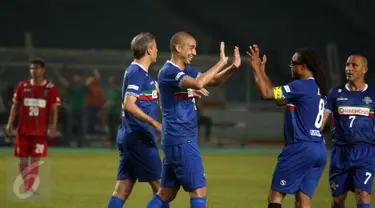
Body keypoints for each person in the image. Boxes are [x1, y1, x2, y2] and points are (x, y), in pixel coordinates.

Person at [146, 31, 241, 208]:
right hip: (182, 139)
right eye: (192, 48)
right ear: (178, 48)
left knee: (167, 193)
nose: (194, 53)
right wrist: (220, 62)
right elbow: (199, 84)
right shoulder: (168, 71)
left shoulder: (184, 70)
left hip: (177, 139)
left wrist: (232, 67)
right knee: (199, 191)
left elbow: (212, 81)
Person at [247, 45, 328, 208]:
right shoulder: (316, 89)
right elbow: (277, 98)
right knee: (303, 200)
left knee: (276, 195)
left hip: (300, 148)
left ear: (303, 66)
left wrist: (255, 68)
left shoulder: (301, 86)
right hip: (319, 149)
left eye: (293, 63)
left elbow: (266, 93)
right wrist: (263, 72)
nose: (291, 67)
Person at [107, 32, 166, 208]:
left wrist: (191, 88)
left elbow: (160, 90)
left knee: (122, 189)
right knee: (163, 190)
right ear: (148, 50)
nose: (157, 50)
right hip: (139, 137)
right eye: (155, 47)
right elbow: (129, 105)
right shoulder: (136, 73)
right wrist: (155, 123)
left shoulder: (143, 75)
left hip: (130, 136)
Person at [322, 54, 374, 208]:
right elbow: (322, 119)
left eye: (354, 65)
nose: (349, 68)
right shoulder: (335, 93)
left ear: (364, 69)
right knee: (338, 200)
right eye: (347, 64)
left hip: (365, 151)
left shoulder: (373, 94)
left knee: (363, 195)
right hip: (340, 153)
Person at [6, 60, 60, 193]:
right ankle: (26, 185)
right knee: (23, 159)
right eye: (31, 68)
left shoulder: (50, 88)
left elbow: (54, 109)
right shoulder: (22, 86)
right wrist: (9, 124)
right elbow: (15, 106)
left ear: (43, 70)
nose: (33, 71)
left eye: (36, 68)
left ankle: (29, 186)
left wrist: (53, 127)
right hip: (23, 130)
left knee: (36, 160)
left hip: (40, 132)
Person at [105, 76, 122, 147]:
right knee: (110, 127)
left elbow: (122, 101)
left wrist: (113, 103)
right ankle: (110, 141)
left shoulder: (119, 91)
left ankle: (115, 142)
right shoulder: (110, 91)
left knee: (114, 127)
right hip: (110, 112)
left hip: (116, 112)